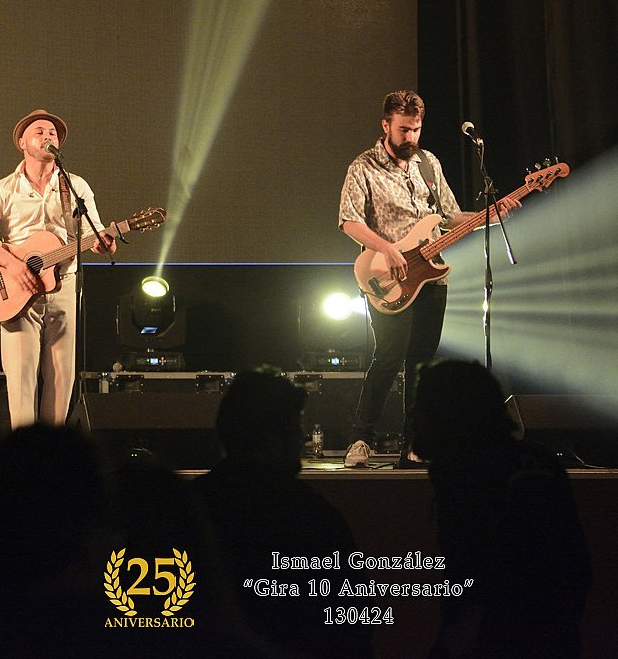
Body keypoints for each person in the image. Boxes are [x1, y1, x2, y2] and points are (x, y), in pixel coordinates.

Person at [337, 90, 514, 468]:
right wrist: (387, 248)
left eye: (416, 129)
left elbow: (449, 217)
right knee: (388, 356)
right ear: (386, 125)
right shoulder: (364, 166)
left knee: (422, 364)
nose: (411, 137)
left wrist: (492, 213)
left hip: (430, 277)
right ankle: (360, 439)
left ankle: (413, 445)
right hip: (387, 273)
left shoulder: (429, 164)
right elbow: (349, 221)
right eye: (403, 129)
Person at [410, 360, 591, 658]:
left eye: (423, 404)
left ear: (448, 413)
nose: (414, 414)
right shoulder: (538, 461)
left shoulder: (466, 475)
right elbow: (575, 568)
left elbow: (475, 582)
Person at [193, 368, 373, 659]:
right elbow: (353, 616)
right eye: (295, 426)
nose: (302, 437)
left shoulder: (190, 504)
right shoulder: (311, 513)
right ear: (273, 437)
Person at [0, 109, 115, 429]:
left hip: (64, 284)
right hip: (17, 290)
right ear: (22, 142)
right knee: (21, 376)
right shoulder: (4, 188)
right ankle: (24, 452)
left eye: (53, 133)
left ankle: (53, 450)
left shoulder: (75, 186)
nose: (48, 136)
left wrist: (103, 242)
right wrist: (13, 263)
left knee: (62, 375)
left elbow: (92, 231)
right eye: (40, 131)